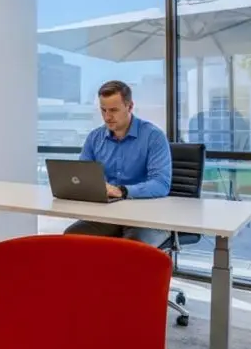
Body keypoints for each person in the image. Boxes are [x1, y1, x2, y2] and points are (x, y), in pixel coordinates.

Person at [64, 80, 172, 247]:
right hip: (108, 215)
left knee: (131, 248)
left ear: (129, 107)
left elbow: (161, 184)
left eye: (113, 110)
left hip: (147, 216)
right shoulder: (95, 138)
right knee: (72, 238)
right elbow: (82, 175)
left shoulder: (153, 137)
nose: (107, 117)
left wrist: (122, 191)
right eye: (103, 110)